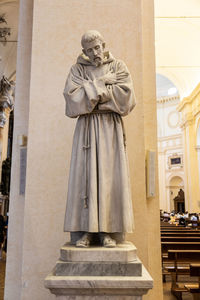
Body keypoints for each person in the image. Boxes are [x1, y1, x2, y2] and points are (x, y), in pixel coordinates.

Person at [63, 30, 136, 247]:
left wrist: (91, 97)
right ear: (84, 51)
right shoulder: (77, 70)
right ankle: (86, 231)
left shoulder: (119, 67)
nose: (96, 52)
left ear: (103, 44)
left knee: (109, 178)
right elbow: (73, 102)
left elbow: (126, 100)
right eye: (90, 49)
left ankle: (107, 232)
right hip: (86, 131)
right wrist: (103, 83)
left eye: (98, 47)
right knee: (85, 178)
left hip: (110, 131)